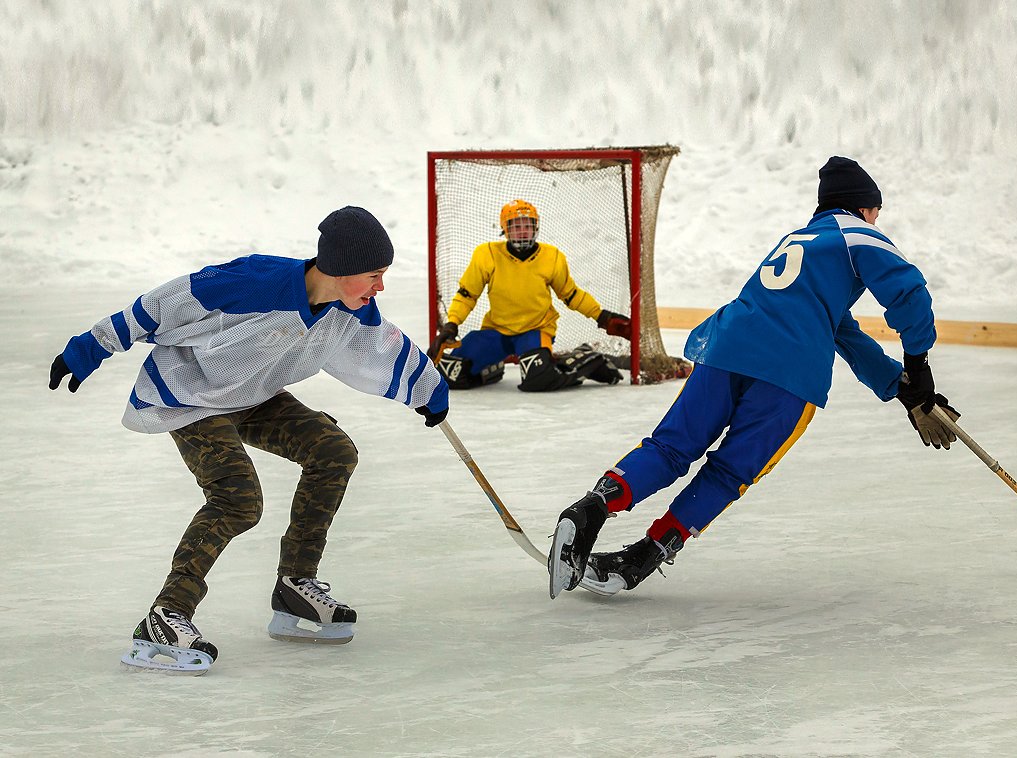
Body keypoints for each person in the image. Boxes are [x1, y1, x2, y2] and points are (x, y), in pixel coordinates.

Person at [48, 206, 449, 674]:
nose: (380, 286)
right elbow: (160, 305)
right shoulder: (252, 281)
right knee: (237, 500)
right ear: (339, 269)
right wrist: (88, 348)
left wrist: (427, 388)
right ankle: (166, 614)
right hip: (189, 396)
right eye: (374, 275)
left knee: (333, 452)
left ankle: (295, 586)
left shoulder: (350, 308)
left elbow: (380, 345)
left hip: (253, 394)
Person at [547, 157, 960, 599]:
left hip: (726, 348)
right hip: (789, 374)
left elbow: (841, 330)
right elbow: (909, 292)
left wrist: (902, 389)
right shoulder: (856, 231)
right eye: (877, 210)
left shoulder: (797, 240)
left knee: (669, 447)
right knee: (729, 473)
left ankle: (594, 506)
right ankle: (645, 555)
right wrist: (918, 365)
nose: (878, 220)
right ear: (862, 206)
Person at [429, 199, 632, 392]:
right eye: (515, 226)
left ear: (536, 227)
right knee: (449, 375)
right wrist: (452, 324)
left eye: (527, 225)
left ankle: (588, 359)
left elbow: (571, 295)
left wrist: (601, 316)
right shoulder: (487, 254)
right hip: (496, 331)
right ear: (505, 229)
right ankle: (491, 369)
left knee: (538, 379)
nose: (522, 231)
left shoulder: (552, 257)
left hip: (535, 330)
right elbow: (467, 294)